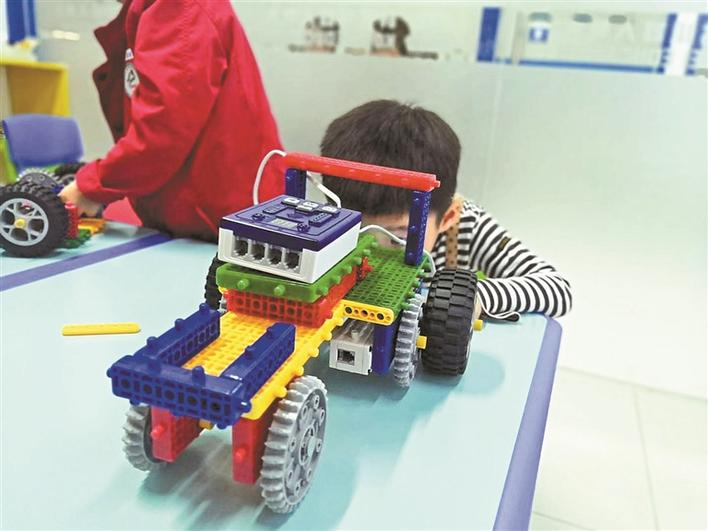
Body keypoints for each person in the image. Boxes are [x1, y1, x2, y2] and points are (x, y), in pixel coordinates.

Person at [320, 100, 572, 318]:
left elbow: (556, 288)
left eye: (398, 238)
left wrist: (464, 298)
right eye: (354, 233)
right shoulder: (323, 223)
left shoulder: (467, 227)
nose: (373, 253)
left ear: (448, 217)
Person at [59, 0, 284, 240]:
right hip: (204, 214)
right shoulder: (157, 10)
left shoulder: (178, 9)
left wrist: (91, 187)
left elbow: (162, 132)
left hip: (224, 221)